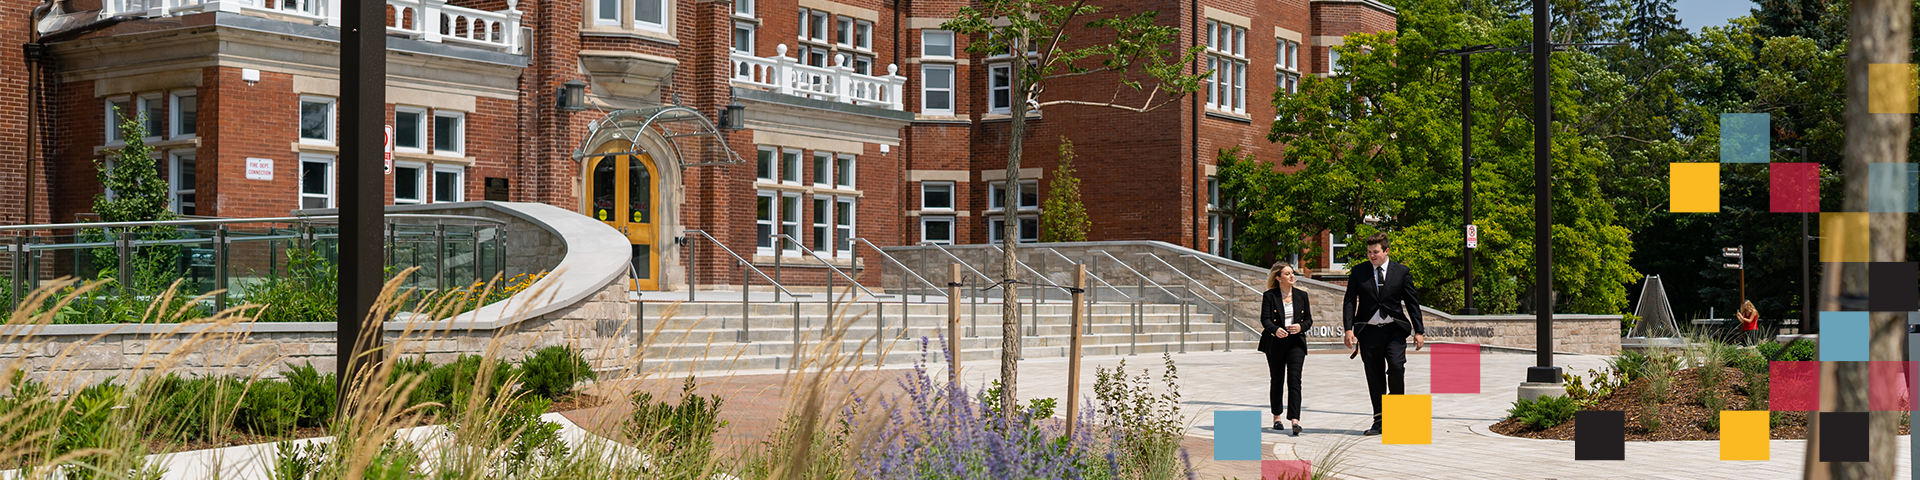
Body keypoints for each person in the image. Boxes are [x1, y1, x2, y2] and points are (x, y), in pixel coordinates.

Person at [1342, 232, 1425, 436]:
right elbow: (1349, 301)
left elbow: (1412, 302)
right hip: (1368, 332)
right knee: (1375, 377)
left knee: (1396, 368)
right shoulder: (1358, 272)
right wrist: (1348, 328)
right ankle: (1379, 422)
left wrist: (1419, 330)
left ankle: (1397, 419)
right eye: (1369, 252)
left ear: (1386, 251)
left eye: (1376, 252)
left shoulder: (1401, 272)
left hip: (1394, 330)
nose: (1372, 256)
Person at [1260, 262, 1313, 436]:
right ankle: (1277, 417)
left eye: (1292, 273)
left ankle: (1295, 420)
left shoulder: (1302, 296)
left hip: (1296, 343)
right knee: (1277, 380)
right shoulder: (1269, 296)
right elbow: (1265, 320)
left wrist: (1300, 327)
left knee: (1295, 380)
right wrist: (1275, 330)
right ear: (1278, 277)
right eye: (1287, 274)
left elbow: (1309, 321)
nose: (1292, 276)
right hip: (1275, 343)